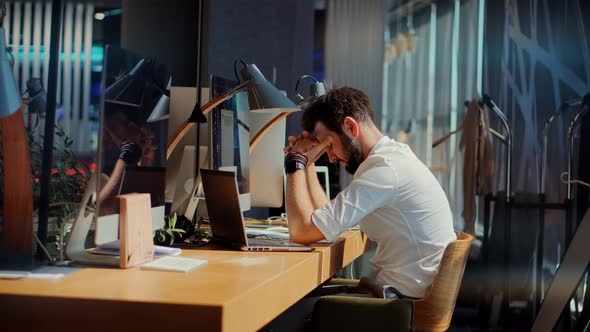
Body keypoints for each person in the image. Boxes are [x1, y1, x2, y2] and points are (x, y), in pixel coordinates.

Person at [283, 86, 456, 300]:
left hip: (398, 303)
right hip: (399, 294)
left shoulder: (384, 170)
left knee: (290, 307)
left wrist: (295, 161)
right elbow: (324, 222)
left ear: (350, 127)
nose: (330, 158)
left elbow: (301, 232)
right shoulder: (390, 159)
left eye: (329, 144)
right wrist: (307, 163)